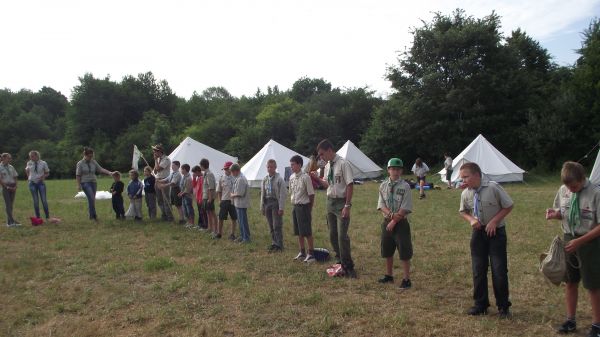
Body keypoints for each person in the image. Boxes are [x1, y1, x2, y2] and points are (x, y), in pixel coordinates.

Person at [546, 161, 600, 336]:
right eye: (568, 187)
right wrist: (556, 215)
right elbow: (563, 212)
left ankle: (597, 325)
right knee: (570, 281)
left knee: (593, 285)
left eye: (575, 186)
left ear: (583, 178)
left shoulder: (596, 193)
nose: (571, 190)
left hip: (590, 242)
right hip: (569, 239)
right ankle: (570, 320)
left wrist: (581, 241)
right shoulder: (564, 190)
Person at [459, 162, 513, 318]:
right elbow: (463, 211)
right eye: (462, 178)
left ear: (476, 175)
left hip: (496, 233)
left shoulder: (493, 188)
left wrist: (494, 221)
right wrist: (470, 219)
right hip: (478, 233)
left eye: (466, 177)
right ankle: (480, 304)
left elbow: (508, 205)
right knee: (478, 270)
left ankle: (503, 307)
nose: (463, 181)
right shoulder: (466, 193)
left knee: (499, 271)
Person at [311, 139, 357, 278]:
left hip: (341, 202)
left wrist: (347, 206)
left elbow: (349, 185)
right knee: (332, 234)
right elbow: (328, 184)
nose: (321, 157)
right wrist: (317, 178)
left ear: (330, 150)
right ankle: (340, 260)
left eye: (322, 154)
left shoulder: (343, 164)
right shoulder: (328, 165)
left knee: (342, 236)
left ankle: (348, 266)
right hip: (330, 201)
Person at [377, 158, 413, 289]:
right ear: (388, 170)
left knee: (404, 250)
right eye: (393, 169)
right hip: (387, 221)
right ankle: (389, 275)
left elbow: (405, 207)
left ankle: (406, 279)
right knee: (387, 249)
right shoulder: (383, 185)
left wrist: (394, 221)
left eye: (398, 169)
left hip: (401, 223)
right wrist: (391, 216)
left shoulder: (405, 186)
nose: (395, 171)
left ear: (401, 171)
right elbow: (381, 204)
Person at [289, 155, 316, 262]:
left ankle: (311, 253)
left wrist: (309, 208)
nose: (291, 167)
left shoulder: (306, 177)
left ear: (299, 165)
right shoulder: (291, 177)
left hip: (304, 207)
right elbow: (292, 192)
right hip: (295, 206)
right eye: (290, 165)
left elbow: (311, 194)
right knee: (298, 231)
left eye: (293, 164)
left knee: (307, 231)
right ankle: (302, 252)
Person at [75, 147, 113, 221]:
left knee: (91, 199)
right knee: (91, 198)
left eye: (92, 156)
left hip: (93, 182)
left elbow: (101, 169)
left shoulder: (93, 162)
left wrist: (110, 173)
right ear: (85, 155)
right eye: (89, 156)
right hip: (85, 183)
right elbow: (78, 175)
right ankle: (94, 215)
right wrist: (78, 185)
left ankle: (91, 216)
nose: (91, 158)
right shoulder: (80, 163)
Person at [260, 159, 287, 252]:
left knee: (277, 225)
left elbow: (283, 194)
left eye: (271, 167)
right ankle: (274, 242)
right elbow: (262, 194)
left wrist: (281, 207)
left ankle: (279, 245)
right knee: (271, 225)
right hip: (267, 202)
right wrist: (262, 206)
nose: (269, 168)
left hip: (275, 202)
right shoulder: (265, 179)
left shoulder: (279, 179)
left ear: (275, 167)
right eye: (268, 167)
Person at [25, 150, 50, 219]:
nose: (31, 158)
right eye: (30, 157)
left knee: (44, 200)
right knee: (35, 201)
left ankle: (47, 216)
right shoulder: (29, 163)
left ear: (37, 156)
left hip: (41, 183)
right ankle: (38, 217)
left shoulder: (43, 163)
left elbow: (47, 172)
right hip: (32, 183)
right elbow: (27, 170)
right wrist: (29, 177)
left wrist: (43, 177)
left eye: (32, 156)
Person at [152, 144, 174, 221]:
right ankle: (164, 214)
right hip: (157, 180)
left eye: (155, 151)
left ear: (159, 151)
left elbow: (158, 169)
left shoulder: (166, 159)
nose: (154, 153)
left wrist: (155, 160)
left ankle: (169, 216)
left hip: (164, 180)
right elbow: (155, 170)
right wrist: (155, 162)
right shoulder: (158, 159)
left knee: (166, 199)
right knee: (159, 199)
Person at [217, 161, 238, 240]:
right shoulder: (221, 178)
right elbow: (219, 190)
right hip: (224, 200)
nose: (225, 170)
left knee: (233, 218)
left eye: (227, 169)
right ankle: (219, 233)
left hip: (233, 201)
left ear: (231, 169)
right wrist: (219, 200)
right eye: (224, 169)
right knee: (221, 217)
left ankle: (232, 234)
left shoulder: (235, 178)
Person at [230, 163, 251, 243]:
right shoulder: (238, 178)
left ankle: (246, 238)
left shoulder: (241, 179)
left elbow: (240, 193)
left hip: (241, 204)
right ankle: (243, 236)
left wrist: (232, 195)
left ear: (236, 171)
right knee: (240, 221)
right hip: (238, 203)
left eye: (232, 172)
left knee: (243, 221)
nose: (231, 174)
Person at [1, 153, 20, 227]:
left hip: (13, 186)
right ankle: (11, 221)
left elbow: (15, 176)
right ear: (3, 158)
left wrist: (16, 186)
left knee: (11, 205)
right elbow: (0, 179)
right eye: (8, 158)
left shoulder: (11, 167)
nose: (10, 159)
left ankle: (9, 222)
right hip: (5, 187)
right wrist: (7, 187)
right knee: (8, 204)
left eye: (10, 158)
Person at [200, 158, 218, 238]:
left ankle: (215, 230)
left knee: (212, 213)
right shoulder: (205, 174)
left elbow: (211, 187)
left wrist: (210, 199)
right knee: (208, 213)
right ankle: (209, 228)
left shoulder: (209, 174)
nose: (200, 167)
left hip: (208, 197)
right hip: (205, 196)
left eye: (200, 165)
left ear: (203, 165)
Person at [191, 165, 207, 230]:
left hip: (201, 198)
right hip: (198, 198)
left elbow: (202, 189)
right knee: (200, 211)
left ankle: (205, 225)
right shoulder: (198, 177)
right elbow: (194, 185)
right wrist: (194, 178)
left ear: (197, 171)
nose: (193, 174)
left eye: (194, 172)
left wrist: (200, 198)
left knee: (203, 212)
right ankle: (200, 224)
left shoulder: (202, 177)